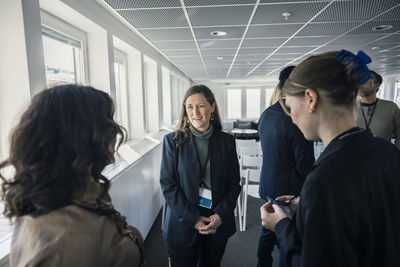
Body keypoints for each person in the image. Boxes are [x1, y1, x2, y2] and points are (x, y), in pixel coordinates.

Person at [260, 50, 400, 266]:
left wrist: (280, 226)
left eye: (289, 105)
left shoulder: (324, 180)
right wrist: (307, 205)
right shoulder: (387, 152)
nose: (291, 115)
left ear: (310, 99)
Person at [0, 84, 144, 267]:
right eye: (107, 122)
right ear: (78, 136)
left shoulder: (72, 194)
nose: (116, 130)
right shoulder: (62, 241)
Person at [160, 85, 241, 267]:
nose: (195, 112)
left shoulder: (227, 141)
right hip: (183, 222)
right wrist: (192, 218)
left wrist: (220, 215)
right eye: (189, 107)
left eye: (201, 106)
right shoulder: (172, 142)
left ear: (212, 107)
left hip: (217, 220)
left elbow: (234, 184)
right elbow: (168, 185)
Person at [257, 66, 315, 267]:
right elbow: (305, 164)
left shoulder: (266, 114)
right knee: (287, 238)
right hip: (290, 191)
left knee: (267, 230)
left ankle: (261, 262)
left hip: (268, 184)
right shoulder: (296, 117)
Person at [356, 70, 400, 149]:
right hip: (353, 159)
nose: (360, 84)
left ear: (376, 86)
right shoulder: (348, 108)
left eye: (364, 81)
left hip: (383, 158)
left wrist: (395, 155)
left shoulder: (391, 108)